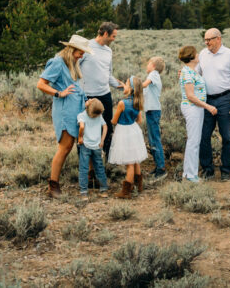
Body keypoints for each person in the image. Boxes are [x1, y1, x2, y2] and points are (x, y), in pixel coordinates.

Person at [36, 34, 90, 197]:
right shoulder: (58, 62)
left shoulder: (72, 63)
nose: (82, 55)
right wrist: (59, 93)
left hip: (77, 109)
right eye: (81, 52)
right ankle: (53, 186)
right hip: (65, 110)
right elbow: (41, 84)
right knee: (65, 147)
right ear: (73, 49)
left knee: (72, 146)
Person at [198, 28, 230, 181]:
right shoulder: (203, 54)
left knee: (228, 136)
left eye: (209, 39)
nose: (206, 42)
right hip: (206, 100)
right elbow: (196, 73)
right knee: (203, 136)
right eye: (205, 40)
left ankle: (225, 170)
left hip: (225, 99)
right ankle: (207, 169)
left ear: (218, 39)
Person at [82, 22, 125, 160]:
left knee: (107, 127)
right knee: (89, 128)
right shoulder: (85, 47)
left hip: (105, 94)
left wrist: (121, 86)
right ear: (105, 34)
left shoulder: (108, 51)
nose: (114, 39)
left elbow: (108, 74)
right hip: (88, 96)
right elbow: (75, 71)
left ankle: (107, 157)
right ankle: (87, 159)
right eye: (113, 36)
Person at [178, 45, 216, 183]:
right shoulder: (187, 72)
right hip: (192, 108)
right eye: (196, 53)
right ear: (192, 57)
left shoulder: (190, 71)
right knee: (193, 142)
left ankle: (189, 173)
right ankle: (189, 174)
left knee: (194, 141)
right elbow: (190, 96)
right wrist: (208, 106)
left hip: (196, 108)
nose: (199, 54)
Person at [108, 75, 148, 198]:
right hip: (134, 130)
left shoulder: (122, 103)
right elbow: (139, 120)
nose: (123, 85)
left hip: (123, 131)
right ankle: (138, 186)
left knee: (129, 163)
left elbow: (114, 121)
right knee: (135, 159)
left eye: (126, 84)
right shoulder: (137, 102)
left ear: (130, 88)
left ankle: (126, 191)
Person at [77, 99, 109, 197]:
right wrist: (102, 140)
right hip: (97, 145)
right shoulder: (99, 115)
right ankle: (104, 190)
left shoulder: (81, 115)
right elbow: (105, 127)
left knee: (84, 168)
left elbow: (81, 127)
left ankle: (84, 192)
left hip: (85, 145)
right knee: (99, 167)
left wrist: (80, 137)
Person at [141, 56, 167, 181]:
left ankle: (161, 169)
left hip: (153, 111)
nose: (147, 65)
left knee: (155, 140)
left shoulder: (153, 75)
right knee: (152, 140)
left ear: (154, 66)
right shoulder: (153, 75)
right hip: (151, 110)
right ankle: (158, 166)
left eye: (149, 63)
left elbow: (144, 85)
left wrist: (133, 86)